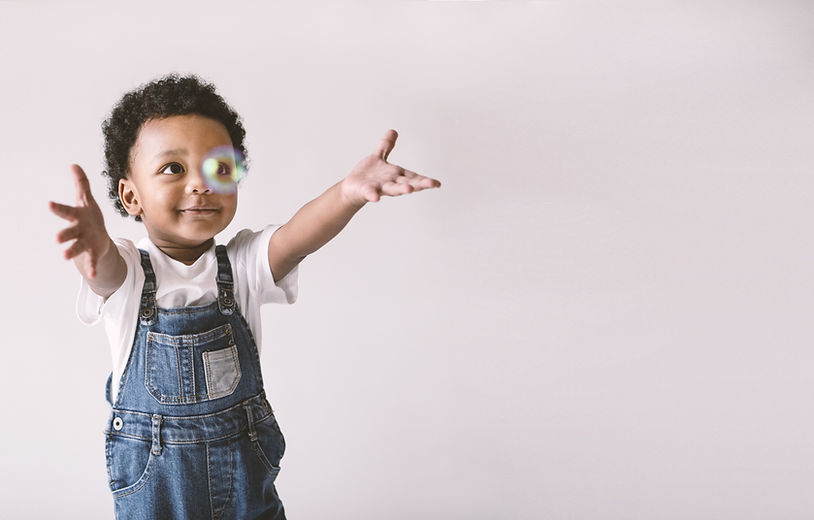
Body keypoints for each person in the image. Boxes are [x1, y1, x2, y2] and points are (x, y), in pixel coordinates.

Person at [48, 74, 441, 520]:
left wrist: (347, 195)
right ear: (130, 195)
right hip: (158, 504)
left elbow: (297, 237)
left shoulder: (243, 265)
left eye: (218, 168)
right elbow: (106, 275)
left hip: (246, 500)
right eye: (173, 168)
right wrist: (95, 245)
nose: (200, 184)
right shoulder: (131, 273)